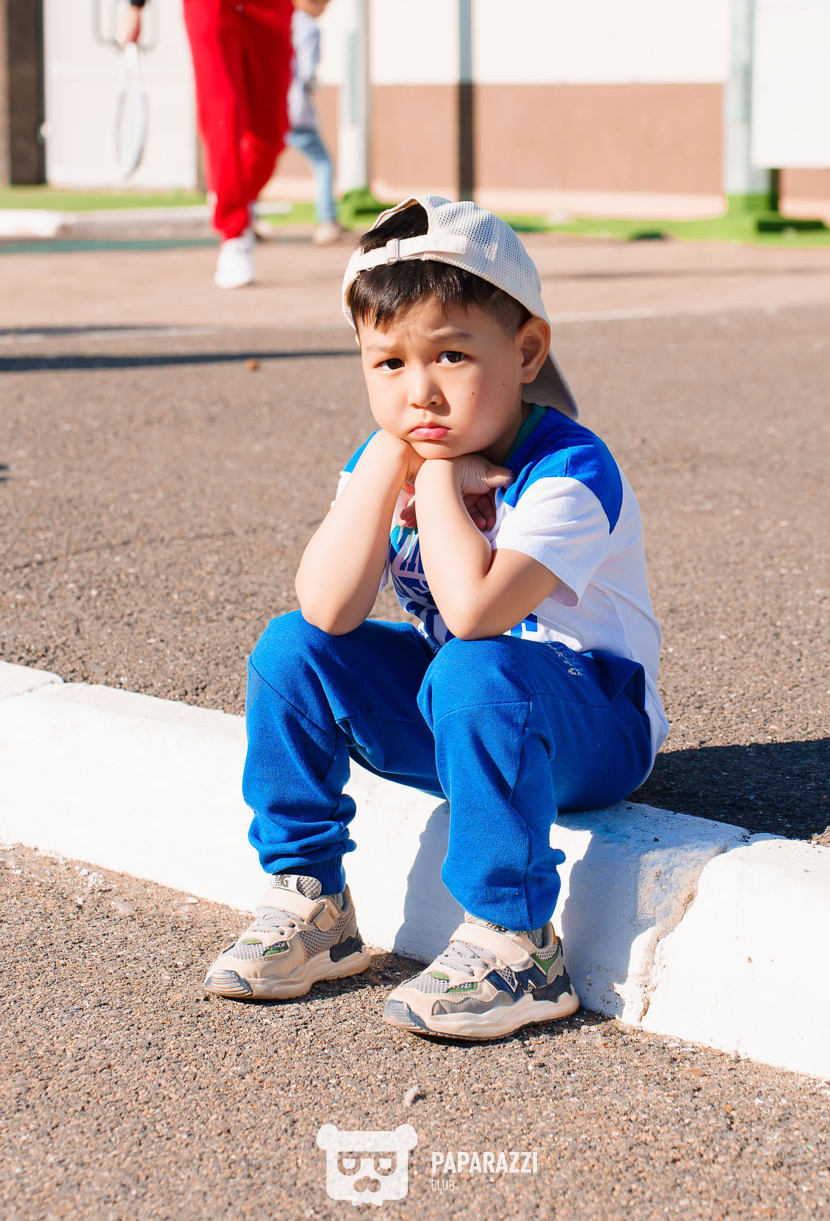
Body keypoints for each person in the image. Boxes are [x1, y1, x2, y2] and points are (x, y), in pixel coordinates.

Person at [204, 196, 669, 1041]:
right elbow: (327, 608)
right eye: (388, 363)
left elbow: (476, 611)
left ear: (525, 351)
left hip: (593, 728)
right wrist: (389, 463)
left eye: (451, 355)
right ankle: (312, 901)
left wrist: (435, 484)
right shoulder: (391, 455)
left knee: (473, 665)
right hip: (468, 714)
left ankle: (517, 942)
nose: (418, 391)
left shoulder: (568, 468)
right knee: (290, 649)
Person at [118, 0, 309, 290]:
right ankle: (233, 235)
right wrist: (135, 3)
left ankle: (230, 195)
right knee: (223, 114)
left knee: (272, 132)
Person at [287, 0, 346, 245]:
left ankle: (247, 219)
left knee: (261, 163)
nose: (325, 9)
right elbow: (307, 71)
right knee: (323, 163)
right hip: (297, 108)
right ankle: (327, 220)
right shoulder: (309, 29)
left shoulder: (282, 20)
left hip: (274, 104)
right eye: (325, 2)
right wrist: (313, 88)